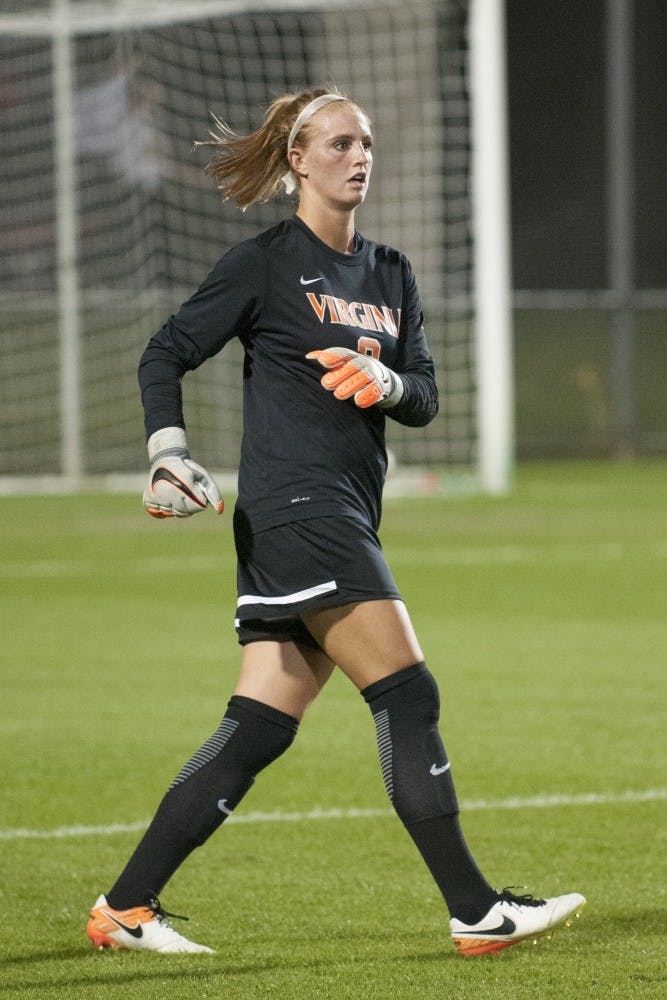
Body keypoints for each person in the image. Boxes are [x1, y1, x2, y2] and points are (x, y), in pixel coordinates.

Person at [85, 88, 585, 957]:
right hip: (296, 509)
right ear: (297, 161)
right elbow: (165, 348)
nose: (358, 157)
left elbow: (422, 397)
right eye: (340, 143)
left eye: (367, 143)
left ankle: (125, 906)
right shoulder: (266, 263)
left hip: (340, 510)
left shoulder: (391, 272)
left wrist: (387, 384)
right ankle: (475, 911)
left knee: (259, 724)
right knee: (407, 691)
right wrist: (169, 450)